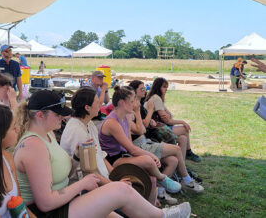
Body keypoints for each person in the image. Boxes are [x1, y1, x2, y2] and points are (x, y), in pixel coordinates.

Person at [14, 90, 191, 218]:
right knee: (120, 190)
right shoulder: (33, 146)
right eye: (58, 114)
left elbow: (63, 175)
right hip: (49, 212)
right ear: (40, 115)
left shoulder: (48, 135)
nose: (63, 117)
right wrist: (83, 183)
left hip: (65, 202)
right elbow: (45, 203)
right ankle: (163, 216)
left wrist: (76, 157)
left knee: (121, 195)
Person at [99, 86, 184, 196]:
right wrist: (150, 155)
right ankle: (162, 178)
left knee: (153, 175)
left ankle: (156, 195)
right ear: (122, 103)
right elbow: (132, 149)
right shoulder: (112, 123)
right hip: (113, 161)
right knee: (148, 161)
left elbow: (130, 146)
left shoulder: (125, 118)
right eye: (132, 101)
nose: (135, 104)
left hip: (123, 156)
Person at [129, 80, 204, 195]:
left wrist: (150, 119)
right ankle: (186, 179)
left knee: (174, 159)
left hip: (148, 139)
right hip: (147, 141)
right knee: (180, 142)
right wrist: (149, 112)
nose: (145, 91)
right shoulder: (137, 108)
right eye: (142, 89)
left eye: (145, 88)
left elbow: (163, 117)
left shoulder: (142, 104)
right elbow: (143, 128)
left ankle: (161, 190)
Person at [145, 78, 201, 163]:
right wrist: (183, 122)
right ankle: (188, 152)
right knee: (184, 129)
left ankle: (182, 165)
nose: (166, 89)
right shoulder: (156, 98)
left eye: (166, 87)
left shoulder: (157, 98)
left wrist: (168, 115)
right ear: (158, 87)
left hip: (159, 128)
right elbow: (168, 120)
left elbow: (169, 116)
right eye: (164, 87)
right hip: (156, 131)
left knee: (183, 138)